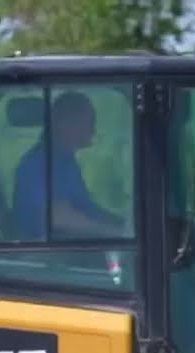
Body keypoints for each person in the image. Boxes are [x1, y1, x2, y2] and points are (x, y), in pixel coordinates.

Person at [11, 91, 127, 241]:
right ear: (66, 124)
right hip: (49, 250)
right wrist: (113, 232)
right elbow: (58, 217)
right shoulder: (37, 164)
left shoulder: (66, 161)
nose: (93, 130)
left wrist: (124, 225)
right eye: (89, 123)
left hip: (69, 244)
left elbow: (87, 209)